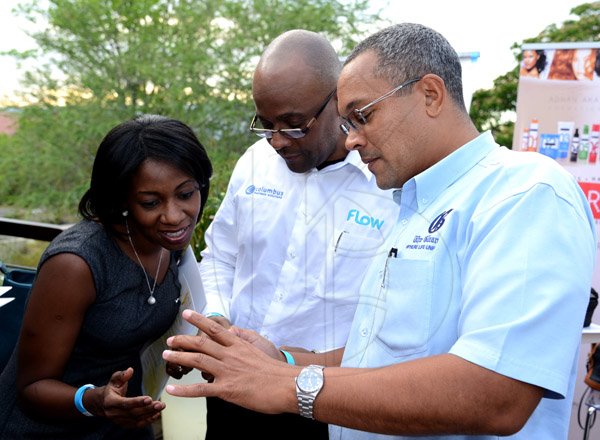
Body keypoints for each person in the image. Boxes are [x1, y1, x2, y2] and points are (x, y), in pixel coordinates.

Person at [163, 23, 596, 440]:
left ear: (430, 94)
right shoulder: (411, 203)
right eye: (347, 122)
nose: (351, 141)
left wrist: (288, 384)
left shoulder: (523, 192)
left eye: (362, 116)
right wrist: (284, 361)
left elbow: (498, 392)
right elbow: (381, 354)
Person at [197, 29, 398, 439]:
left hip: (324, 405)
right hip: (230, 389)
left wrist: (286, 362)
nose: (276, 141)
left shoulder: (388, 186)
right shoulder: (254, 162)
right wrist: (216, 320)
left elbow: (392, 327)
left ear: (338, 101)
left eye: (293, 125)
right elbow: (219, 257)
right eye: (265, 124)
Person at [0, 114, 213, 439]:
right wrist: (95, 399)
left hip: (123, 420)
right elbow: (32, 388)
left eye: (186, 194)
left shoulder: (171, 243)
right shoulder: (77, 264)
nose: (174, 216)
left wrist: (177, 355)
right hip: (46, 428)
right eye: (151, 202)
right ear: (121, 199)